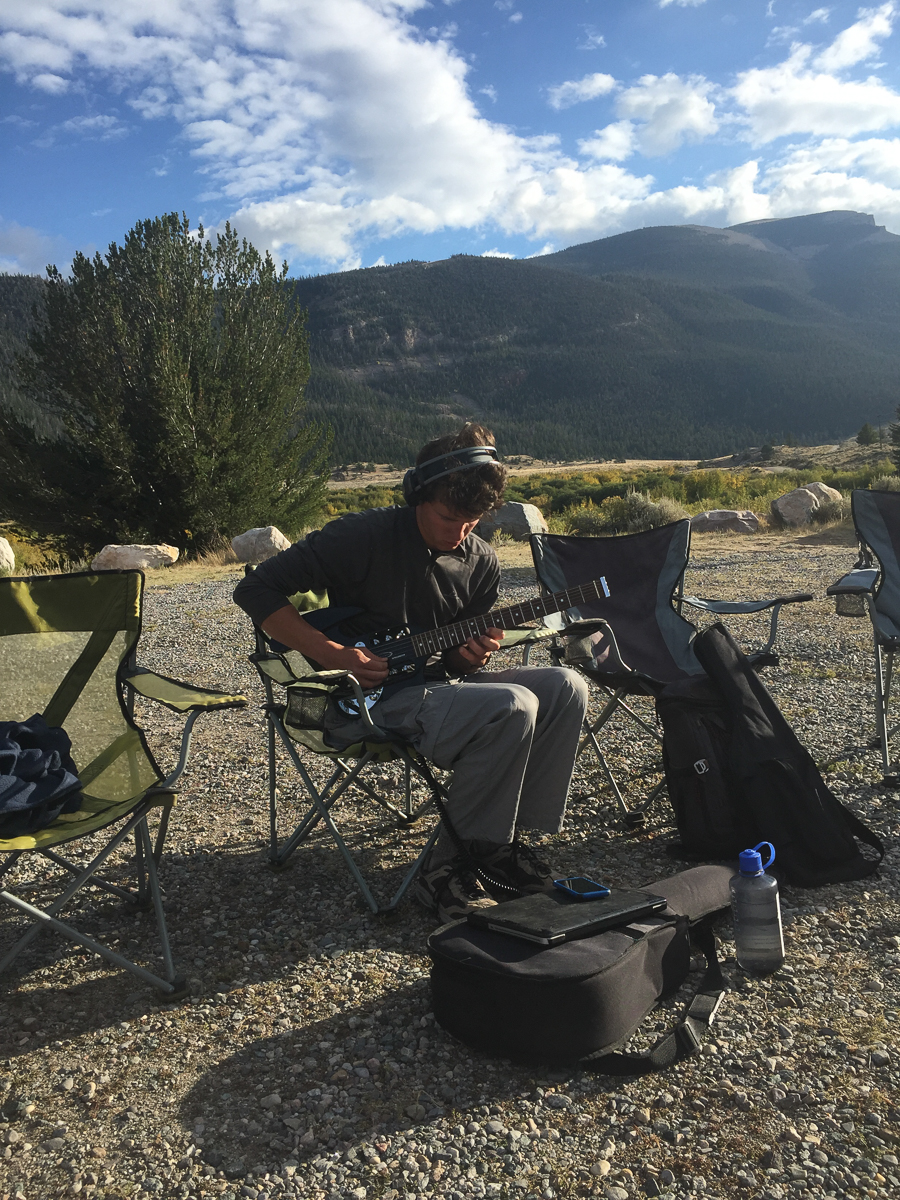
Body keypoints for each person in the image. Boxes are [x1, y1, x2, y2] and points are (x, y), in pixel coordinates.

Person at [233, 424, 589, 923]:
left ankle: (498, 846)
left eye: (473, 521)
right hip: (360, 698)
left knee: (566, 688)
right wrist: (335, 653)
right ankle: (445, 873)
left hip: (435, 688)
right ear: (417, 495)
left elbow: (451, 665)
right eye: (448, 517)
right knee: (513, 705)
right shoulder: (360, 536)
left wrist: (468, 658)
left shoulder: (480, 560)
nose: (458, 532)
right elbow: (254, 592)